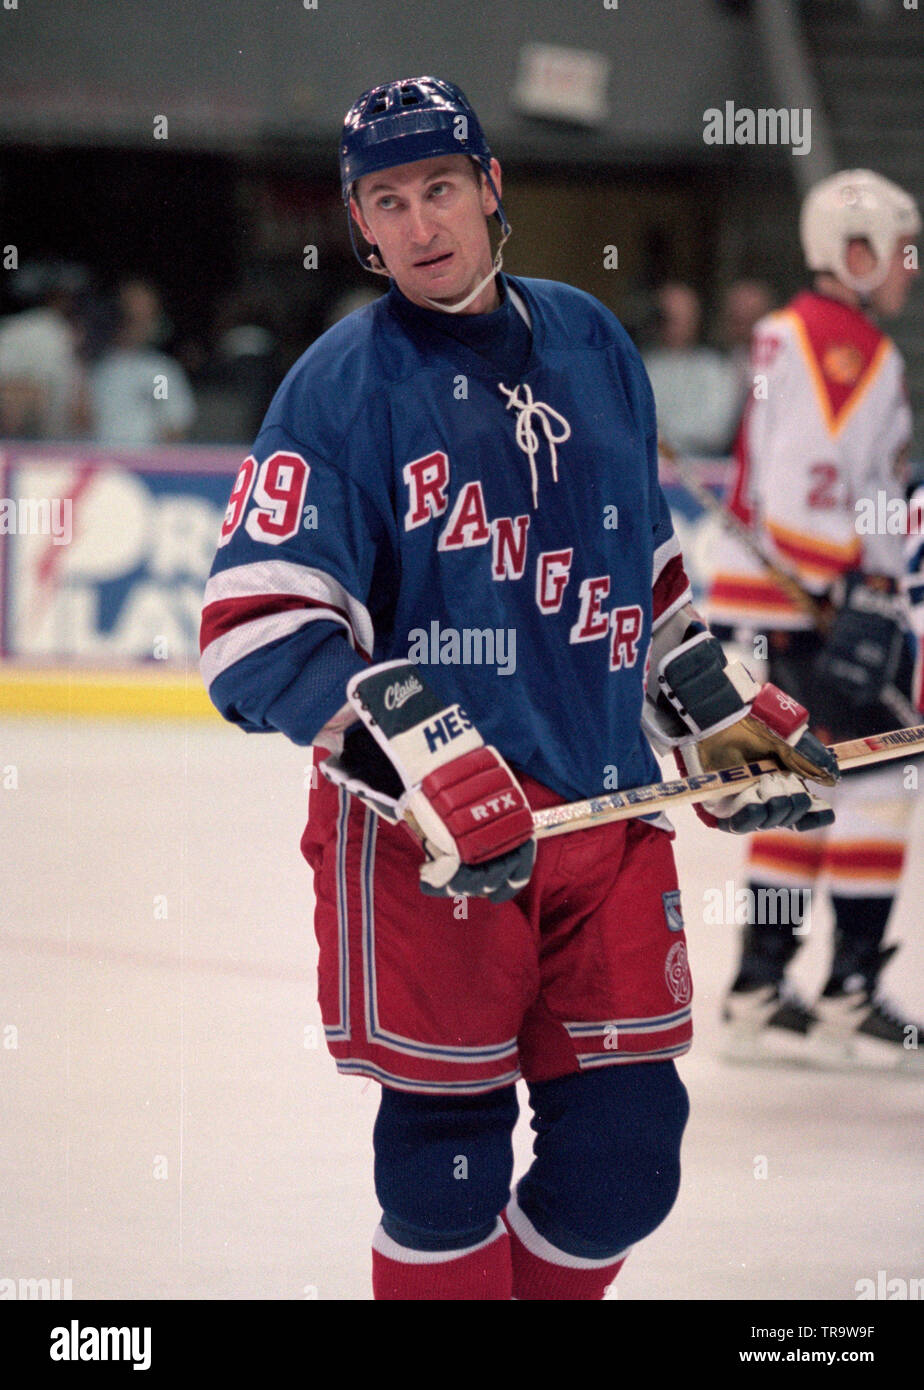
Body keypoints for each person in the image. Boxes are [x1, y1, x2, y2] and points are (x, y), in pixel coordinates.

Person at [200, 76, 837, 1301]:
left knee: (628, 1161)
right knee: (445, 1168)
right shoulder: (341, 386)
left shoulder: (594, 342)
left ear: (492, 189)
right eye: (388, 201)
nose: (422, 222)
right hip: (427, 848)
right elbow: (253, 630)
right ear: (362, 229)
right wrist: (417, 748)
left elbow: (641, 573)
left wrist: (707, 698)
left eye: (441, 187)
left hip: (599, 826)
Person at [707, 169, 923, 1068]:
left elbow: (838, 492)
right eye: (902, 251)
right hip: (793, 616)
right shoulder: (846, 348)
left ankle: (760, 986)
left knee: (803, 790)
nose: (911, 270)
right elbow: (802, 500)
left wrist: (870, 572)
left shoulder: (796, 333)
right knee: (882, 777)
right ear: (858, 253)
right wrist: (851, 586)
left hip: (760, 609)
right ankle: (847, 993)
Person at [91, 279, 196, 445]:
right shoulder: (93, 366)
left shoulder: (159, 373)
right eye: (130, 315)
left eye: (146, 316)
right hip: (98, 463)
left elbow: (174, 425)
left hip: (145, 464)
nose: (137, 323)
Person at [642, 281, 740, 456]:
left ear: (696, 318)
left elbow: (716, 431)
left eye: (683, 316)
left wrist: (664, 433)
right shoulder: (643, 367)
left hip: (703, 468)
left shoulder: (716, 369)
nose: (676, 324)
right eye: (668, 317)